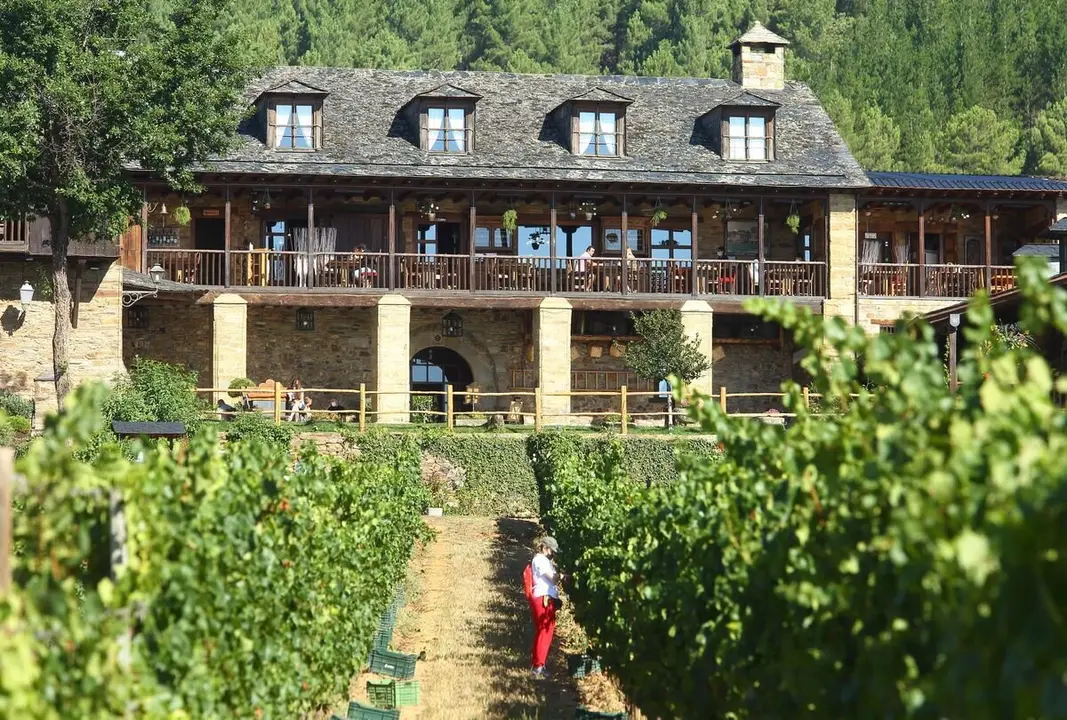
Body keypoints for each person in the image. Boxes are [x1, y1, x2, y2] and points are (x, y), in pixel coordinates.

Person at [527, 536, 564, 679]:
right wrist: (561, 576)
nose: (552, 554)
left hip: (546, 598)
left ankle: (539, 664)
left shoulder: (544, 561)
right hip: (543, 599)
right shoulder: (540, 560)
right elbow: (552, 579)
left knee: (544, 631)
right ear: (544, 548)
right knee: (545, 631)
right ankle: (538, 667)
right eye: (551, 551)